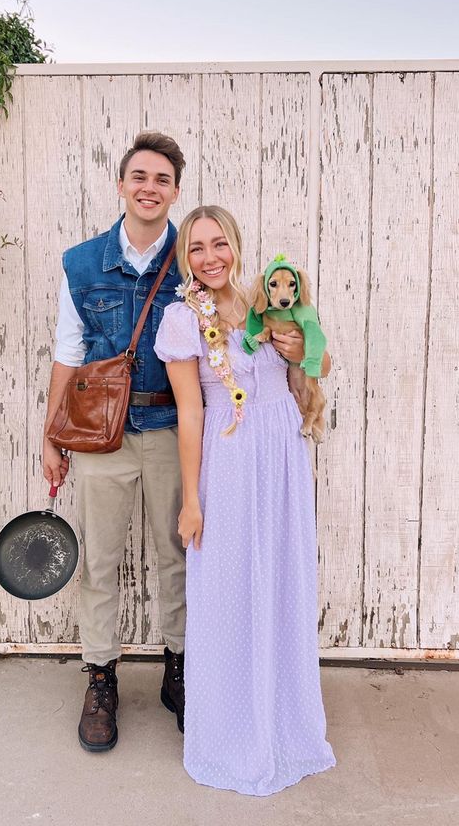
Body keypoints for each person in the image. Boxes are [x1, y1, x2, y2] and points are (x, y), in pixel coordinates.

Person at [154, 205, 336, 795]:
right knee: (230, 588)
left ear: (236, 245)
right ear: (185, 257)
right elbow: (190, 411)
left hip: (280, 451)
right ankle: (233, 731)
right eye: (196, 249)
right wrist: (191, 500)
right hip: (228, 460)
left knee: (281, 580)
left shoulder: (267, 307)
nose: (210, 258)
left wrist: (292, 351)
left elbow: (323, 362)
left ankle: (284, 723)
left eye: (219, 244)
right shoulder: (184, 318)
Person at [42, 131, 188, 752]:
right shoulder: (81, 263)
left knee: (178, 557)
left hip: (175, 432)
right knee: (99, 562)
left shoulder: (197, 258)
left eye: (161, 180)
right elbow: (68, 354)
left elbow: (233, 332)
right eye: (140, 177)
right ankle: (100, 674)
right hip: (101, 439)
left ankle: (180, 667)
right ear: (121, 184)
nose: (149, 188)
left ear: (175, 190)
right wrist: (52, 435)